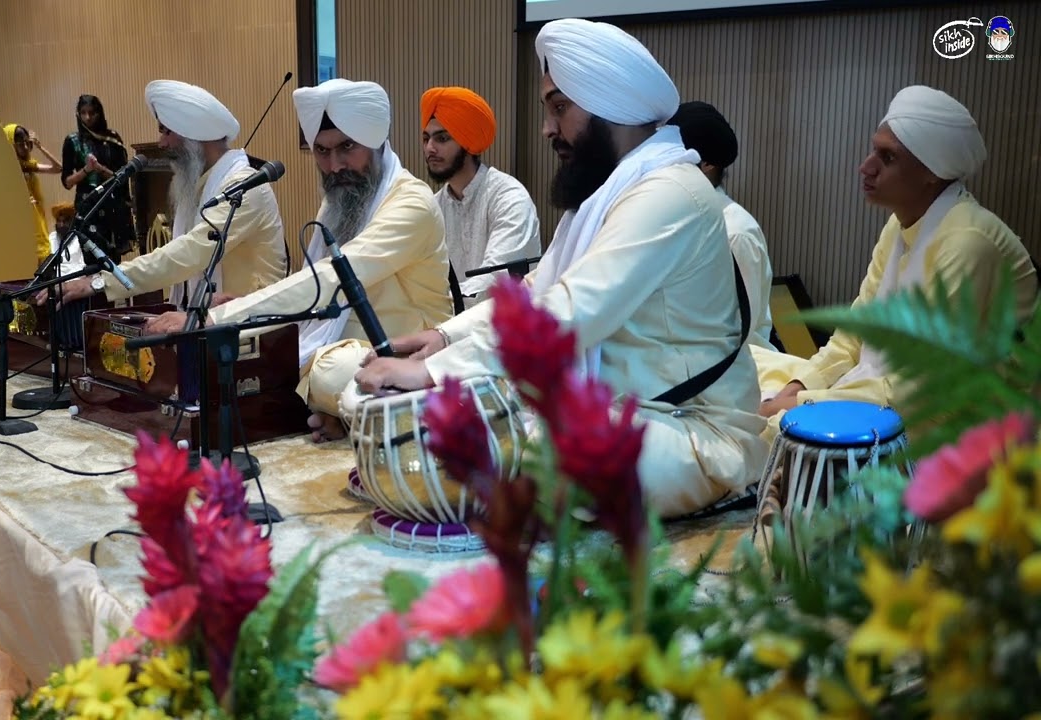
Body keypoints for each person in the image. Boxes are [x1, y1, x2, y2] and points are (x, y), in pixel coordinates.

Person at [355, 19, 769, 517]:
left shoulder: (671, 192)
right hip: (622, 409)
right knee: (477, 425)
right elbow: (533, 292)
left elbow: (573, 312)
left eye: (559, 108)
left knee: (528, 452)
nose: (548, 128)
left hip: (691, 428)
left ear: (608, 104)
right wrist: (443, 339)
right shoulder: (606, 194)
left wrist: (431, 374)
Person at [755, 85, 1037, 421]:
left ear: (934, 171)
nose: (866, 167)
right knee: (751, 366)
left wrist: (802, 404)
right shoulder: (899, 224)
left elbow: (920, 388)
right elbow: (858, 333)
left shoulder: (967, 240)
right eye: (873, 151)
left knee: (767, 427)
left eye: (887, 158)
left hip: (972, 422)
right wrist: (800, 386)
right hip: (900, 391)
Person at [195, 78, 451, 442]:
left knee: (331, 371)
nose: (334, 166)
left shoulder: (412, 203)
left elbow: (332, 279)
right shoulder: (341, 201)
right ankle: (350, 413)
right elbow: (315, 287)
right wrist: (256, 312)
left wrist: (218, 319)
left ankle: (348, 409)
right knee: (274, 354)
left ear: (376, 142)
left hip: (405, 356)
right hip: (345, 355)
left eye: (347, 147)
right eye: (322, 151)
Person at [52, 81, 285, 309]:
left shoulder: (244, 187)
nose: (161, 143)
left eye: (166, 131)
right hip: (218, 328)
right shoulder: (200, 186)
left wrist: (103, 281)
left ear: (194, 134)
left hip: (259, 333)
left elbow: (190, 253)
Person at [667, 101, 774, 350]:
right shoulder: (674, 218)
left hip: (734, 373)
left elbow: (737, 333)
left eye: (672, 153)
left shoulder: (735, 233)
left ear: (707, 164)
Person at [421, 86, 540, 307]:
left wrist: (441, 304)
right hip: (447, 331)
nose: (430, 148)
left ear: (468, 143)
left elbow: (496, 277)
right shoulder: (433, 207)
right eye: (426, 138)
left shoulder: (509, 197)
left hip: (506, 330)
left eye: (442, 138)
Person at [60, 95, 136, 258]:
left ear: (99, 113)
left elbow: (122, 176)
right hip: (88, 207)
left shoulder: (112, 139)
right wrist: (87, 170)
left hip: (111, 204)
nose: (87, 117)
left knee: (113, 260)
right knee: (92, 259)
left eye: (92, 113)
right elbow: (67, 182)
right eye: (83, 113)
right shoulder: (73, 141)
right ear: (78, 114)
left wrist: (99, 169)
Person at [4, 124, 60, 264]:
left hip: (35, 216)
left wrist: (40, 147)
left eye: (26, 142)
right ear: (10, 145)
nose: (24, 147)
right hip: (20, 221)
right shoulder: (5, 170)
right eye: (19, 143)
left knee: (42, 256)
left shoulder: (28, 165)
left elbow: (58, 168)